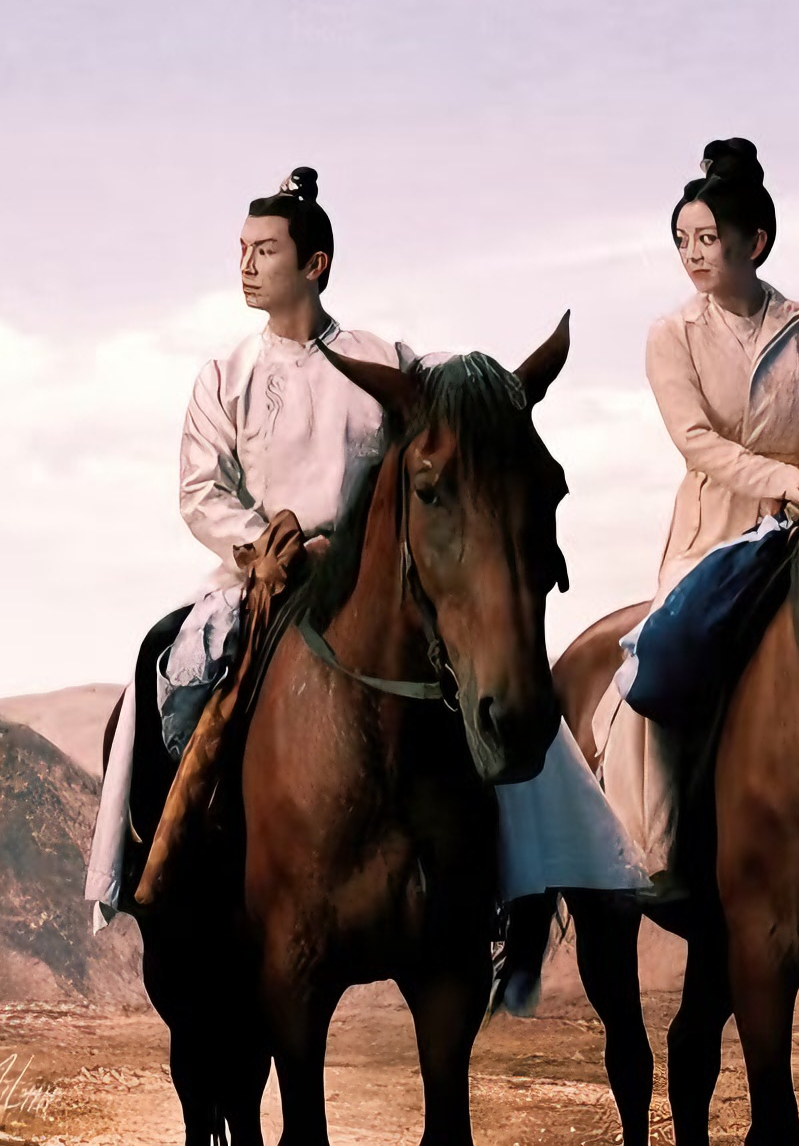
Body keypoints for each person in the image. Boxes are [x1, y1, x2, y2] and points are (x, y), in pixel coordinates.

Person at [84, 168, 637, 927]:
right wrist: (261, 545)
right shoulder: (225, 376)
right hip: (261, 578)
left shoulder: (386, 359)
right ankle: (164, 862)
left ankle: (546, 868)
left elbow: (453, 396)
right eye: (242, 249)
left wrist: (503, 388)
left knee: (496, 678)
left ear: (314, 265)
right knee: (167, 663)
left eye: (264, 250)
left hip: (367, 579)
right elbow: (200, 489)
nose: (246, 264)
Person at [598, 139, 799, 892]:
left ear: (755, 242)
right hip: (711, 534)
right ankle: (654, 849)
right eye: (682, 240)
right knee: (662, 662)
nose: (692, 255)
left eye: (708, 239)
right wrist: (787, 478)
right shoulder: (670, 335)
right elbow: (697, 442)